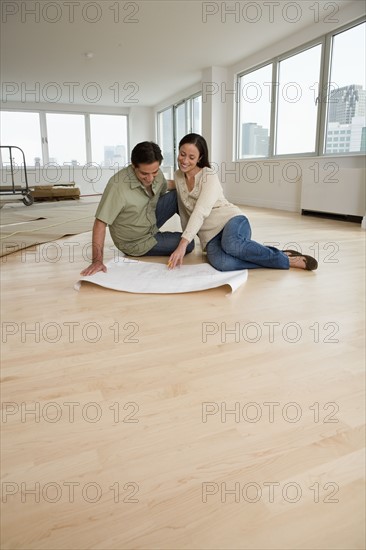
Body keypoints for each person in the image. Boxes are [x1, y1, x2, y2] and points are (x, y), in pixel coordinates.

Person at [167, 133, 318, 272]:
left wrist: (182, 244)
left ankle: (287, 260)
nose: (185, 161)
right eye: (182, 154)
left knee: (232, 245)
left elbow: (201, 210)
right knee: (222, 264)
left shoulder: (209, 175)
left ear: (200, 158)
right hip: (211, 236)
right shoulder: (179, 176)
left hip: (231, 221)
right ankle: (277, 254)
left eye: (191, 157)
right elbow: (175, 189)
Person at [81, 141, 194, 276]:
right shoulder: (117, 186)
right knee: (189, 244)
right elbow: (100, 223)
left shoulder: (155, 175)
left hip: (148, 219)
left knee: (177, 195)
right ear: (134, 166)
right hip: (135, 241)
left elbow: (167, 185)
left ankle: (208, 237)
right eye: (144, 174)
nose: (150, 178)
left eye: (155, 172)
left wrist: (191, 184)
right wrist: (97, 261)